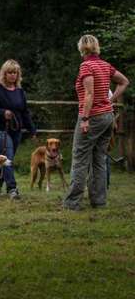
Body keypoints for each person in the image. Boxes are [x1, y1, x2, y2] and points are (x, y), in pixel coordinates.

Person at [64, 35, 129, 211]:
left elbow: (89, 94)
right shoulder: (104, 65)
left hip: (92, 117)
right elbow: (124, 82)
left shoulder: (86, 66)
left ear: (81, 48)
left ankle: (72, 203)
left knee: (79, 159)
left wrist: (85, 119)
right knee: (99, 160)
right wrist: (111, 100)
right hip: (107, 117)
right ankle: (99, 201)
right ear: (96, 47)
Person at [0, 59, 37, 200]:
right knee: (7, 159)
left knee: (5, 162)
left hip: (16, 131)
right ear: (4, 74)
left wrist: (32, 130)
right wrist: (3, 113)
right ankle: (12, 189)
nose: (13, 75)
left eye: (15, 72)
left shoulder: (20, 92)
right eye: (10, 72)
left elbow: (25, 112)